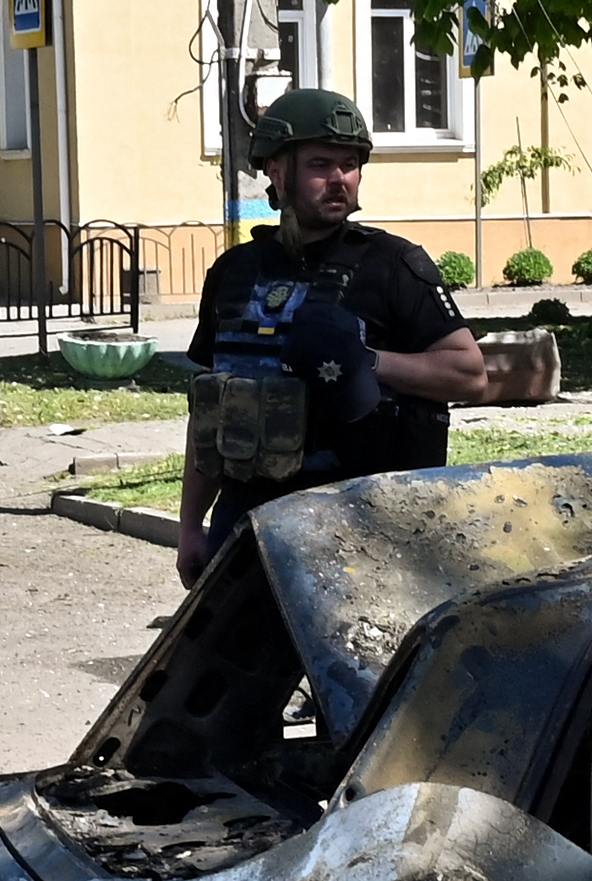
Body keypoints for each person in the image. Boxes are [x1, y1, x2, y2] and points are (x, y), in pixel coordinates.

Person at [174, 86, 490, 590]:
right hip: (247, 522)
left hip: (362, 524)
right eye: (321, 164)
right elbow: (211, 414)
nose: (340, 179)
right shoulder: (233, 273)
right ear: (276, 171)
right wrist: (192, 525)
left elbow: (470, 374)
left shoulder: (394, 265)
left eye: (351, 164)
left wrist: (366, 361)